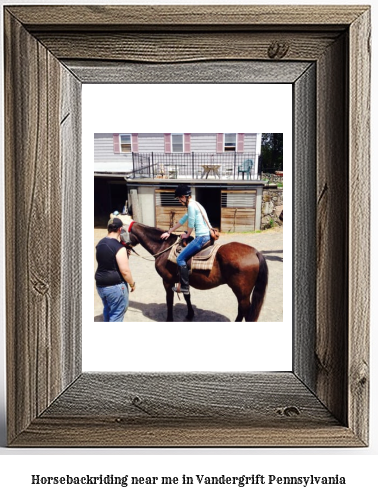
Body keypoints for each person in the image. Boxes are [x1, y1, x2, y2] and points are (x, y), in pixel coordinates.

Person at [161, 184, 211, 295]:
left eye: (179, 198)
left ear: (184, 196)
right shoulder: (195, 204)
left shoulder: (191, 206)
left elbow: (191, 223)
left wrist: (187, 235)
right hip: (206, 235)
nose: (179, 201)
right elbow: (183, 220)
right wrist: (170, 231)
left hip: (202, 237)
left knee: (180, 259)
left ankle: (184, 286)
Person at [95, 217, 136, 322]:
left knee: (107, 310)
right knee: (117, 315)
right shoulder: (118, 247)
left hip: (101, 285)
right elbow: (125, 271)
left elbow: (108, 261)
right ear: (120, 229)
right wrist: (132, 283)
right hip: (115, 286)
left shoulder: (100, 243)